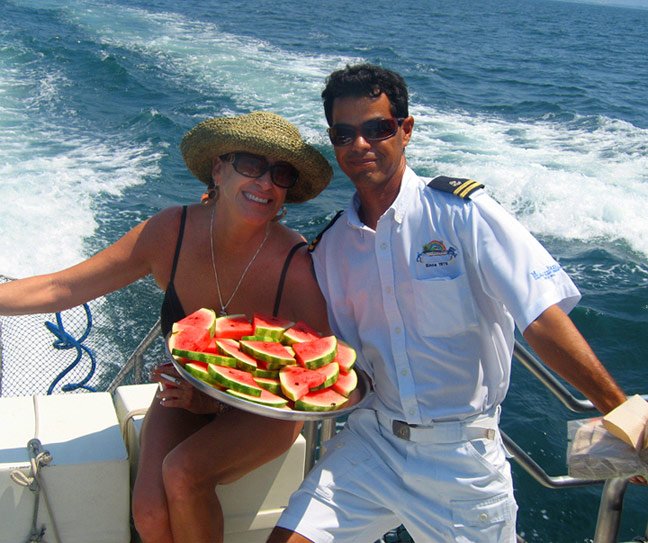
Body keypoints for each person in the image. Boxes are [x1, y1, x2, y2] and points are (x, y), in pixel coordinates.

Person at [267, 64, 640, 543]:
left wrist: (620, 411)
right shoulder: (334, 246)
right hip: (371, 443)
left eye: (376, 128)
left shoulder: (464, 212)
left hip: (461, 462)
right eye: (344, 134)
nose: (359, 145)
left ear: (405, 130)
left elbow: (541, 318)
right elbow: (330, 356)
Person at [0, 111, 333, 543]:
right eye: (251, 165)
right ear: (218, 168)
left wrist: (216, 404)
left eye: (281, 173)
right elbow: (62, 286)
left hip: (266, 409)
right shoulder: (170, 232)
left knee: (185, 471)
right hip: (185, 390)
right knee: (150, 512)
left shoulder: (294, 263)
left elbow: (320, 373)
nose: (266, 183)